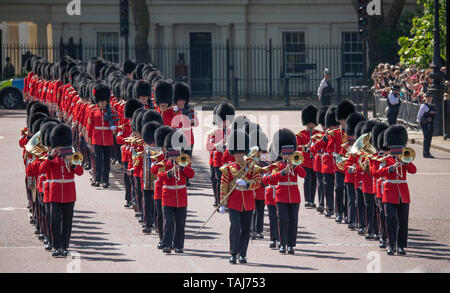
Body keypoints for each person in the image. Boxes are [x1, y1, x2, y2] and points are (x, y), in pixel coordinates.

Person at [40, 123, 84, 257]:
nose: (60, 149)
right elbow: (42, 170)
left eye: (61, 146)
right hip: (55, 193)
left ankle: (64, 247)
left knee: (67, 221)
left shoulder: (73, 155)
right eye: (57, 147)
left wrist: (71, 162)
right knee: (54, 220)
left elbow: (80, 172)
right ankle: (56, 246)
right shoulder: (50, 157)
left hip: (69, 194)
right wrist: (50, 157)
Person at [219, 129, 261, 264]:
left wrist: (246, 184)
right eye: (237, 152)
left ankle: (242, 254)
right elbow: (224, 186)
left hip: (248, 203)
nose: (239, 155)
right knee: (235, 226)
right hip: (234, 203)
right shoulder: (229, 168)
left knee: (246, 229)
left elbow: (258, 183)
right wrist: (223, 204)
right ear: (233, 153)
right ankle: (233, 253)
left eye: (242, 152)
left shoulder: (252, 167)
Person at [375, 125, 417, 256]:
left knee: (403, 221)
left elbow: (413, 170)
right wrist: (390, 168)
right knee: (390, 219)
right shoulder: (385, 160)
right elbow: (378, 172)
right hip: (389, 193)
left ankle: (401, 246)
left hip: (403, 194)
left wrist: (405, 162)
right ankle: (391, 245)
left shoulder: (405, 159)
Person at [270, 129, 306, 254]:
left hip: (294, 196)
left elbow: (303, 174)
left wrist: (296, 165)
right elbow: (272, 179)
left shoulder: (296, 163)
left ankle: (291, 245)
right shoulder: (277, 165)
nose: (287, 155)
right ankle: (282, 243)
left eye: (290, 152)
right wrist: (283, 171)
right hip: (281, 196)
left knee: (293, 221)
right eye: (285, 153)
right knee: (282, 219)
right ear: (280, 152)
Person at [158, 130, 195, 254]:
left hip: (181, 197)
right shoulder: (164, 164)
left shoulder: (185, 162)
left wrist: (183, 167)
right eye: (172, 152)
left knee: (180, 222)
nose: (174, 155)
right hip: (168, 197)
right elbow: (160, 176)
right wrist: (170, 172)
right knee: (168, 222)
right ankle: (167, 244)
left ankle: (179, 245)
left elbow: (191, 174)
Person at [87, 83, 118, 188]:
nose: (103, 103)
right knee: (98, 160)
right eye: (101, 101)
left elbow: (116, 124)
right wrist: (90, 142)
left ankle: (105, 180)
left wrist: (115, 130)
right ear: (98, 101)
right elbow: (90, 127)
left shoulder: (112, 111)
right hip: (97, 140)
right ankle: (97, 179)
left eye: (104, 101)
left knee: (106, 162)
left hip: (108, 140)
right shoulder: (93, 111)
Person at [296, 105, 320, 208]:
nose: (311, 125)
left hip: (315, 161)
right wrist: (306, 147)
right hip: (305, 161)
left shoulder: (319, 134)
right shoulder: (300, 135)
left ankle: (312, 200)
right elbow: (297, 148)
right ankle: (307, 200)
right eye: (309, 123)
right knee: (307, 180)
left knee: (314, 181)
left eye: (313, 123)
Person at [416, 92, 436, 158]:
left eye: (430, 97)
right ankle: (426, 153)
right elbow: (419, 115)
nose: (429, 98)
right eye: (428, 97)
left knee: (429, 138)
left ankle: (427, 152)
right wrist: (419, 122)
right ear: (426, 98)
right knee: (426, 137)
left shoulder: (433, 105)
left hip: (431, 123)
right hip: (425, 123)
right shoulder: (424, 106)